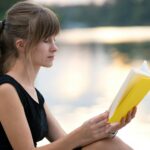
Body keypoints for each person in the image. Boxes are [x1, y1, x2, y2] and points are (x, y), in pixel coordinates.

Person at [0, 1, 137, 150]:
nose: (55, 48)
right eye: (46, 41)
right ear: (21, 45)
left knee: (109, 144)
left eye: (54, 39)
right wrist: (81, 133)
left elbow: (66, 144)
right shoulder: (6, 90)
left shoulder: (32, 92)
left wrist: (109, 130)